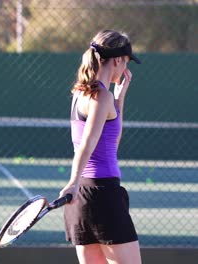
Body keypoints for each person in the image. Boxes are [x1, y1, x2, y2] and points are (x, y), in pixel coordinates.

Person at [59, 29, 142, 264]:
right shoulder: (100, 97)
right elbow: (87, 144)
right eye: (126, 61)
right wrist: (72, 182)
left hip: (82, 202)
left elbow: (109, 143)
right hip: (103, 194)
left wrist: (119, 98)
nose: (126, 67)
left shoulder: (81, 93)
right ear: (118, 60)